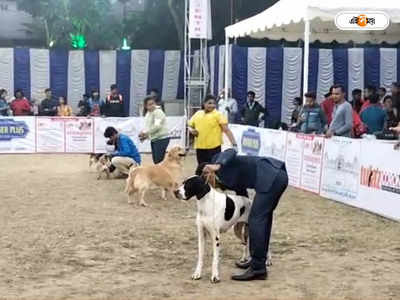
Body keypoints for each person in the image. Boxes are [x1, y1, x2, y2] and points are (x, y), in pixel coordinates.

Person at [200, 148, 288, 281]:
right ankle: (257, 261)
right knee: (263, 218)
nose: (208, 180)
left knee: (256, 220)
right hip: (275, 175)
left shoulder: (219, 162)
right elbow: (242, 198)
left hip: (271, 176)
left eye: (206, 175)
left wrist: (217, 164)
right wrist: (238, 220)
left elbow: (231, 151)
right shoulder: (225, 180)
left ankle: (258, 268)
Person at [188, 95, 237, 165]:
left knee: (214, 170)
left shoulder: (218, 115)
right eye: (209, 103)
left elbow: (227, 130)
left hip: (214, 149)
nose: (212, 105)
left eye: (214, 103)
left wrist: (234, 144)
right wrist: (191, 130)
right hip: (200, 148)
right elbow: (189, 125)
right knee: (202, 169)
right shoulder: (198, 114)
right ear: (204, 103)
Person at [139, 96, 170, 164]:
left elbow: (157, 126)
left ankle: (161, 174)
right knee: (156, 161)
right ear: (146, 106)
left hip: (162, 138)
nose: (152, 105)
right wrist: (144, 136)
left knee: (158, 161)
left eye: (153, 103)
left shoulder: (158, 112)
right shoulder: (148, 113)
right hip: (155, 139)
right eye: (149, 104)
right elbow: (148, 127)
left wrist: (145, 133)